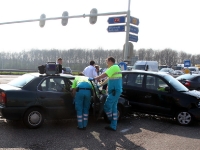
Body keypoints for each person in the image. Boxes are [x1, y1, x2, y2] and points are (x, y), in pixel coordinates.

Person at [93, 56, 122, 131]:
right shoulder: (115, 69)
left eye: (107, 61)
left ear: (110, 61)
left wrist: (97, 78)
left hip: (114, 92)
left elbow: (105, 74)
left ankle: (111, 120)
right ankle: (113, 126)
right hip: (115, 91)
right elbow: (107, 79)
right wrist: (99, 85)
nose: (106, 63)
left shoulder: (114, 67)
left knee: (107, 106)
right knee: (114, 108)